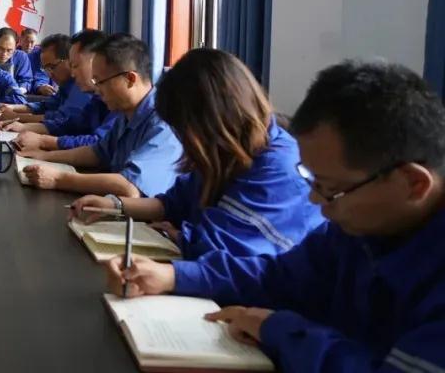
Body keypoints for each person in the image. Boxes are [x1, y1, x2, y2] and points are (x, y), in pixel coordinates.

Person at [105, 61, 445, 372]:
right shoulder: (357, 228)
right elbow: (277, 275)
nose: (315, 200)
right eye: (312, 180)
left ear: (413, 184)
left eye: (330, 188)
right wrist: (173, 276)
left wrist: (279, 329)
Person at [67, 48, 323, 263]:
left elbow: (227, 253)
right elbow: (173, 203)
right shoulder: (227, 152)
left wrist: (180, 237)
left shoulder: (278, 168)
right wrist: (115, 205)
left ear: (212, 121)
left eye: (185, 131)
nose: (184, 143)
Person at [17, 33, 181, 198]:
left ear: (130, 79)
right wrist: (43, 157)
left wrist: (58, 179)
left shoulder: (163, 122)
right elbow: (97, 153)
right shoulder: (126, 113)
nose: (98, 90)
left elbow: (130, 187)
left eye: (100, 82)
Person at [0, 30, 116, 151]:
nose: (72, 73)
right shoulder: (93, 96)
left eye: (75, 65)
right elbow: (67, 123)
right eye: (45, 69)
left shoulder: (85, 90)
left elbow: (97, 144)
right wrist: (20, 120)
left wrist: (41, 140)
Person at [0, 32, 76, 124]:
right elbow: (46, 106)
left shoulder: (80, 86)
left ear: (70, 61)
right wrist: (12, 107)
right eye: (45, 69)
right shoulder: (65, 87)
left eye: (52, 67)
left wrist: (17, 117)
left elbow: (61, 119)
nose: (50, 75)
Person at [0, 27, 34, 95]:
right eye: (0, 48)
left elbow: (26, 81)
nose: (4, 54)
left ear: (15, 47)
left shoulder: (21, 57)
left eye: (9, 50)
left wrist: (20, 90)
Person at [22, 28, 56, 95]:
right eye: (26, 41)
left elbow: (41, 76)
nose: (29, 45)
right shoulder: (13, 54)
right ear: (21, 40)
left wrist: (40, 87)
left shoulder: (40, 55)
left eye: (32, 42)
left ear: (36, 42)